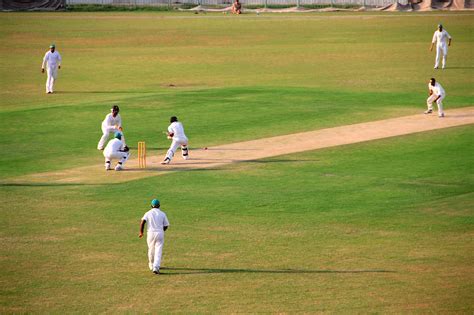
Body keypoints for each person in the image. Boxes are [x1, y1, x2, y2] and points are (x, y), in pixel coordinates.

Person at [139, 199, 170, 275]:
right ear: (159, 205)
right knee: (158, 250)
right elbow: (166, 225)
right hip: (159, 233)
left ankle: (151, 265)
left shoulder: (148, 213)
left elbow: (142, 222)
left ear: (151, 206)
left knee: (151, 249)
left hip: (150, 233)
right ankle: (156, 267)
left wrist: (141, 232)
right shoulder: (162, 214)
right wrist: (161, 231)